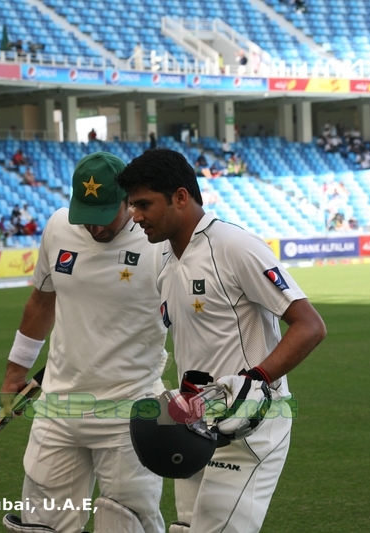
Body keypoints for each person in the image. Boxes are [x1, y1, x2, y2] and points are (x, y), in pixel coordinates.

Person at [116, 148, 326, 533]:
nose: (135, 215)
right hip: (194, 425)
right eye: (132, 205)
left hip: (250, 426)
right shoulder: (162, 257)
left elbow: (310, 325)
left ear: (180, 197)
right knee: (187, 528)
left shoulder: (233, 246)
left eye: (144, 204)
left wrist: (256, 379)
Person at [0, 152, 167, 533]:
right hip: (58, 407)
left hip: (129, 410)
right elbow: (42, 301)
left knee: (126, 525)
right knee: (42, 526)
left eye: (105, 214)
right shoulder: (58, 227)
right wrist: (15, 372)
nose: (95, 227)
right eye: (86, 215)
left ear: (128, 200)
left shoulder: (158, 242)